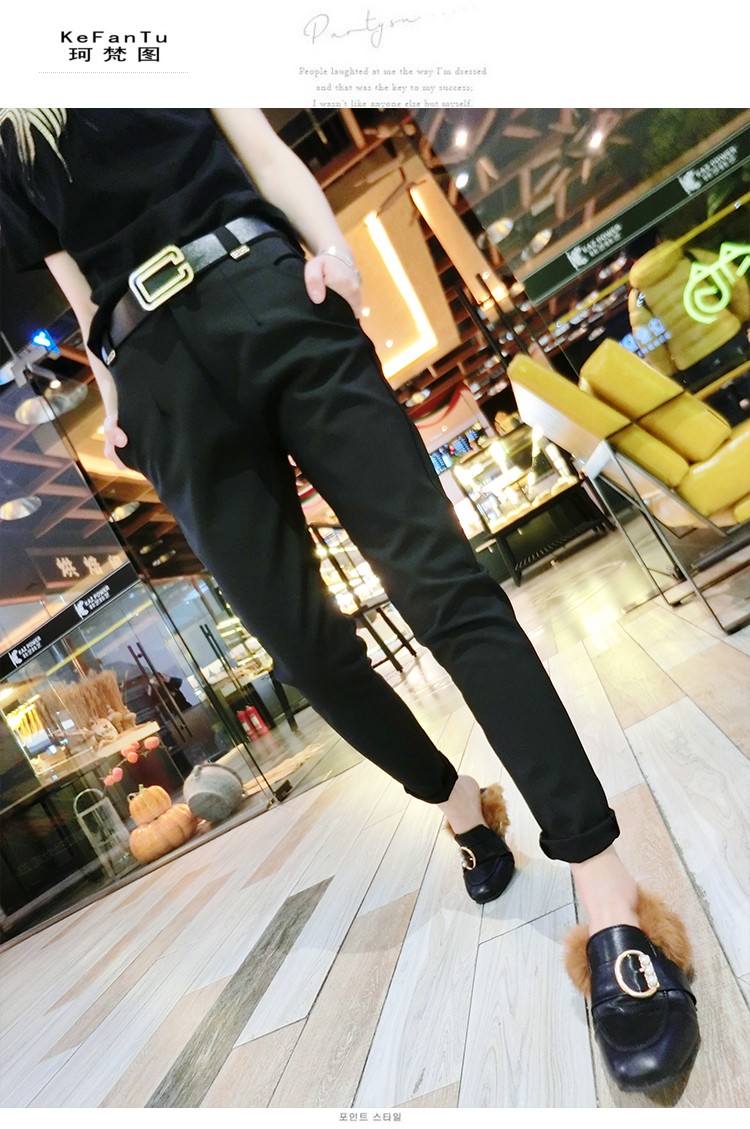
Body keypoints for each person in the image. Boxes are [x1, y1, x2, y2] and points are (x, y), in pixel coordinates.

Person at [0, 107, 699, 1093]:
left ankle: (607, 889)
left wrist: (329, 245)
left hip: (265, 287)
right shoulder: (12, 137)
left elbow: (259, 148)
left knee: (442, 584)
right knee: (305, 650)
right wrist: (113, 394)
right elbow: (78, 286)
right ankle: (457, 803)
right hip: (156, 376)